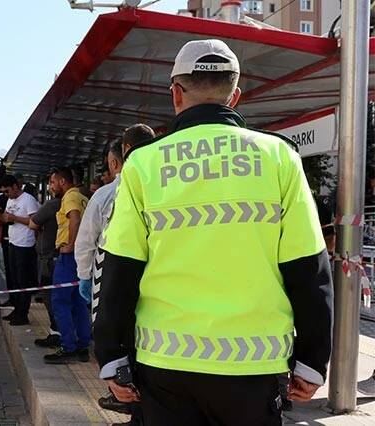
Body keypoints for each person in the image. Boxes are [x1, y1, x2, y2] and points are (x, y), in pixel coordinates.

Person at [95, 39, 333, 425]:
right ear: (234, 96)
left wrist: (111, 355)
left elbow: (120, 268)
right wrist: (312, 360)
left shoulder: (143, 164)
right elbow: (309, 267)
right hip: (255, 365)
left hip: (164, 365)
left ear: (176, 93)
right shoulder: (279, 158)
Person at [75, 126, 155, 424]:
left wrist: (85, 276)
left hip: (113, 281)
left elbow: (87, 240)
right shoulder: (162, 187)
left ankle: (129, 402)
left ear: (117, 158)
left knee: (121, 345)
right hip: (156, 287)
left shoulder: (108, 193)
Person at [43, 167, 90, 364]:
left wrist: (70, 245)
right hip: (82, 255)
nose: (51, 187)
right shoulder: (82, 197)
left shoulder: (70, 196)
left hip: (69, 256)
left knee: (60, 301)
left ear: (63, 181)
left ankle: (68, 346)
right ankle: (82, 345)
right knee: (79, 301)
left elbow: (75, 219)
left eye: (53, 182)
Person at [0, 175, 40, 326]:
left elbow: (34, 221)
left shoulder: (28, 200)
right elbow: (9, 217)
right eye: (3, 192)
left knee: (23, 281)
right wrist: (4, 217)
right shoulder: (10, 200)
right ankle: (17, 309)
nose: (6, 195)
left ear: (15, 186)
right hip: (13, 243)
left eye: (7, 191)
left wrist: (15, 218)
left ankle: (23, 313)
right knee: (14, 280)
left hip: (25, 245)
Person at [28, 193, 62, 348]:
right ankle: (58, 332)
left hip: (49, 258)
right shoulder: (75, 200)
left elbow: (32, 224)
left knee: (50, 297)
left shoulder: (52, 204)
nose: (51, 187)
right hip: (57, 257)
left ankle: (57, 333)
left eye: (53, 182)